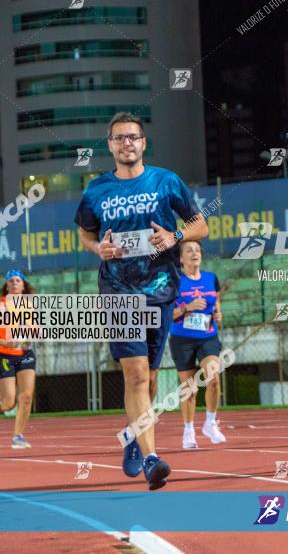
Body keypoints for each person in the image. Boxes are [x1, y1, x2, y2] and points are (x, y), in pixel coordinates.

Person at [75, 112, 207, 490]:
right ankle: (152, 459)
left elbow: (201, 224)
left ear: (143, 142)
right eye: (119, 138)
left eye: (133, 137)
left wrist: (175, 236)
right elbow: (85, 233)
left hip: (162, 289)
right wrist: (97, 248)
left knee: (149, 378)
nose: (127, 143)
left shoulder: (166, 181)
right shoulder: (96, 190)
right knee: (134, 374)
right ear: (111, 145)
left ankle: (135, 434)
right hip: (118, 290)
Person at [169, 240, 225, 449]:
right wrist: (187, 307)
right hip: (182, 339)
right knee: (189, 389)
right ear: (181, 258)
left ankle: (210, 423)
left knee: (213, 378)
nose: (195, 253)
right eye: (188, 250)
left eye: (197, 250)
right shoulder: (175, 282)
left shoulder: (211, 279)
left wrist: (218, 313)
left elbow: (216, 302)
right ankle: (188, 430)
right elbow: (167, 315)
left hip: (208, 336)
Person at [0, 270, 37, 449]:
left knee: (26, 397)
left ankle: (18, 436)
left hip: (25, 354)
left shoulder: (29, 306)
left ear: (23, 286)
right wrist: (5, 342)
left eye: (18, 281)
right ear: (7, 286)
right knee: (9, 401)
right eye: (11, 281)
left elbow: (37, 331)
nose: (14, 284)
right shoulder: (0, 307)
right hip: (3, 355)